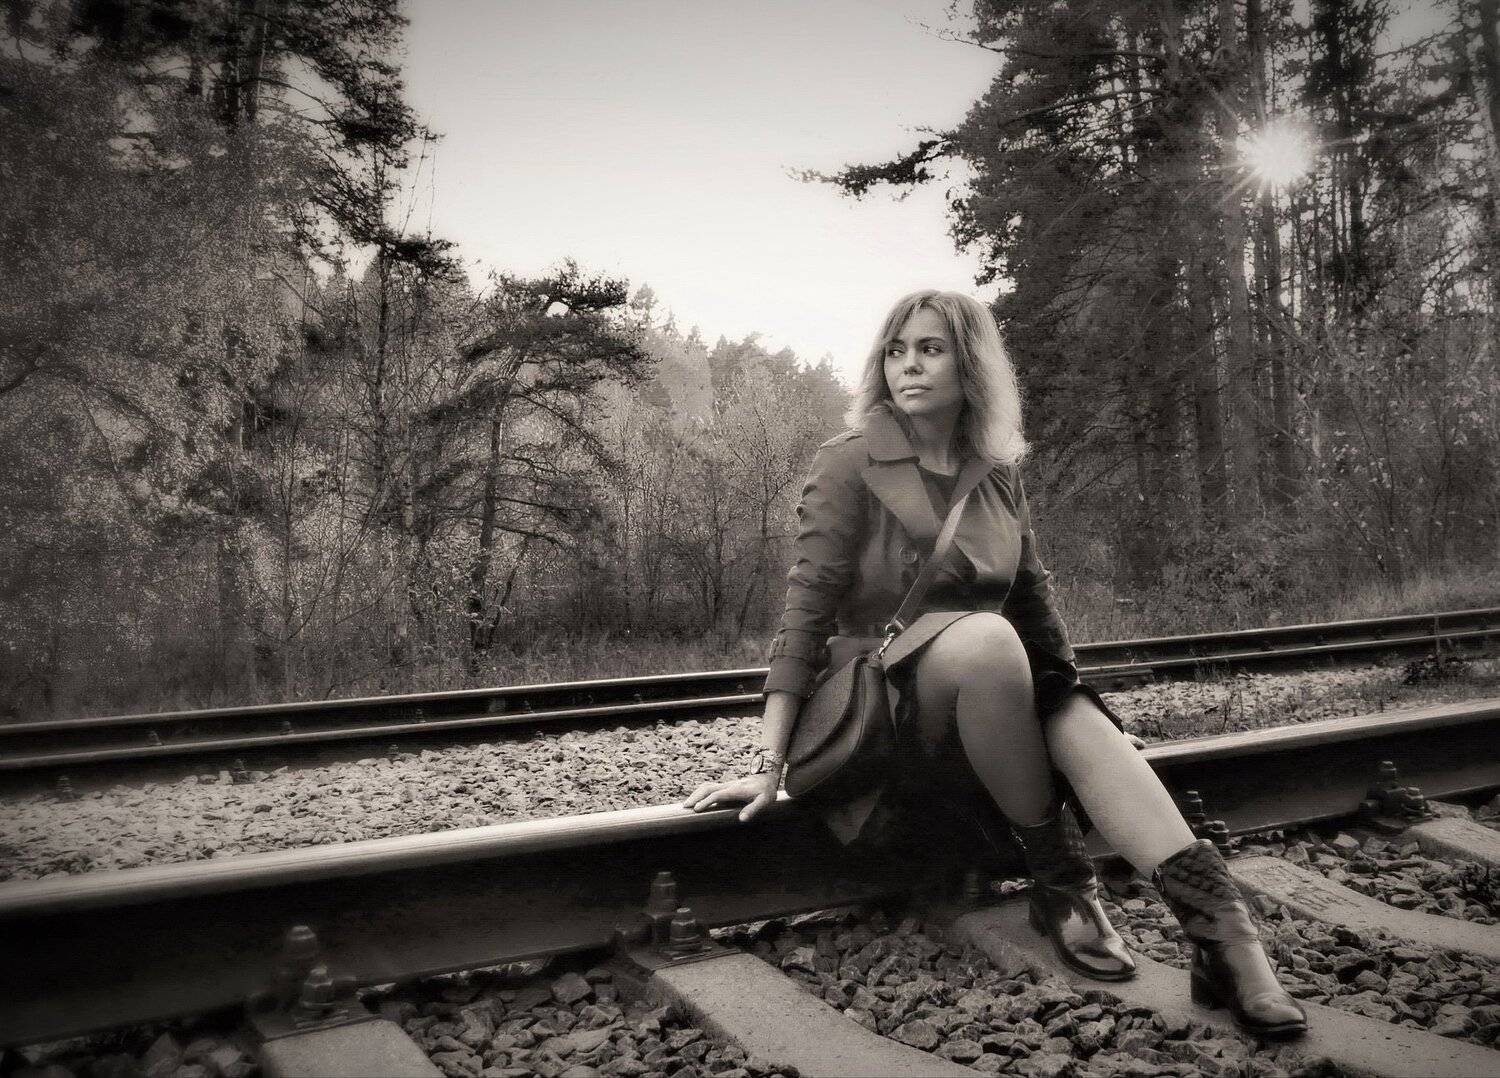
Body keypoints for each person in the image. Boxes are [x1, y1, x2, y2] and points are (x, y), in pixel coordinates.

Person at [685, 290, 1307, 1039]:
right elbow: (805, 611)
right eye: (896, 350)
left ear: (970, 365)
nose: (909, 365)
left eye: (931, 349)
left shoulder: (997, 471)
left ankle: (1226, 942)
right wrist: (769, 762)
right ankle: (1063, 881)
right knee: (987, 637)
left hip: (988, 696)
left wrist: (1086, 716)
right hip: (883, 708)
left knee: (1065, 701)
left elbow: (1034, 604)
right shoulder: (849, 461)